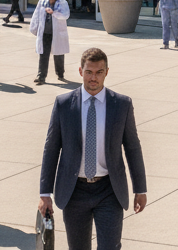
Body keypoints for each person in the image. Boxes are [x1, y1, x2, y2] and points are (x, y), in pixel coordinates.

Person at [38, 48, 147, 250]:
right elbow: (51, 148)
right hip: (74, 191)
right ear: (80, 71)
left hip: (109, 190)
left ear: (107, 72)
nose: (93, 78)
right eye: (89, 72)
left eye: (99, 72)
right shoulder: (63, 104)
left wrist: (140, 188)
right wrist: (45, 193)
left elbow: (132, 147)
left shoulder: (121, 104)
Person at [31, 0, 71, 84]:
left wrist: (54, 13)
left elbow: (66, 15)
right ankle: (41, 76)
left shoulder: (63, 3)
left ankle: (60, 73)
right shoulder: (42, 1)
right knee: (43, 54)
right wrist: (34, 28)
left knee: (58, 54)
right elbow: (36, 15)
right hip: (45, 32)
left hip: (57, 33)